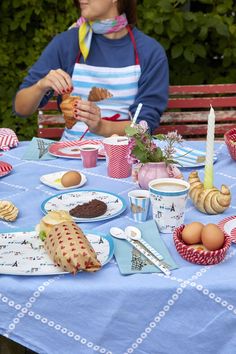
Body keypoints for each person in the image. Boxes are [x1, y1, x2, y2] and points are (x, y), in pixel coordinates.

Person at [14, 0, 169, 140]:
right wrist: (41, 85)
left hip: (124, 161)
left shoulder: (150, 52)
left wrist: (102, 127)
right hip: (70, 158)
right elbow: (21, 108)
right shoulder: (66, 43)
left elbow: (144, 127)